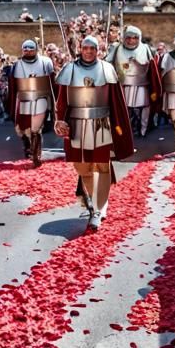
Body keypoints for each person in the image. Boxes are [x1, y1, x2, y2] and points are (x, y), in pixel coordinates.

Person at [54, 35, 136, 232]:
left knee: (102, 166)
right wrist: (60, 120)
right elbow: (62, 101)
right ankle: (92, 202)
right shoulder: (69, 69)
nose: (89, 51)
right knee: (83, 168)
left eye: (92, 48)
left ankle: (98, 210)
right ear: (81, 49)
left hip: (102, 124)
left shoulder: (107, 69)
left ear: (97, 50)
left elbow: (116, 102)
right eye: (86, 48)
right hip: (76, 125)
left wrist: (119, 129)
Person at [4, 39, 55, 166]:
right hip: (23, 98)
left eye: (31, 49)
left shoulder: (46, 62)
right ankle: (28, 146)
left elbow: (52, 82)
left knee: (36, 128)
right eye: (25, 49)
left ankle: (36, 153)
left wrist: (53, 102)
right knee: (23, 128)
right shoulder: (16, 65)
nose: (28, 51)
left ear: (36, 49)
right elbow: (13, 86)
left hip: (41, 97)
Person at [107, 26, 161, 138]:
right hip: (122, 85)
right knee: (124, 109)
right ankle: (127, 130)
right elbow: (107, 63)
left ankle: (143, 129)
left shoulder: (145, 48)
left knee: (144, 107)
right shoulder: (117, 48)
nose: (131, 40)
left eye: (135, 38)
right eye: (129, 38)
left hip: (142, 84)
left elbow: (152, 67)